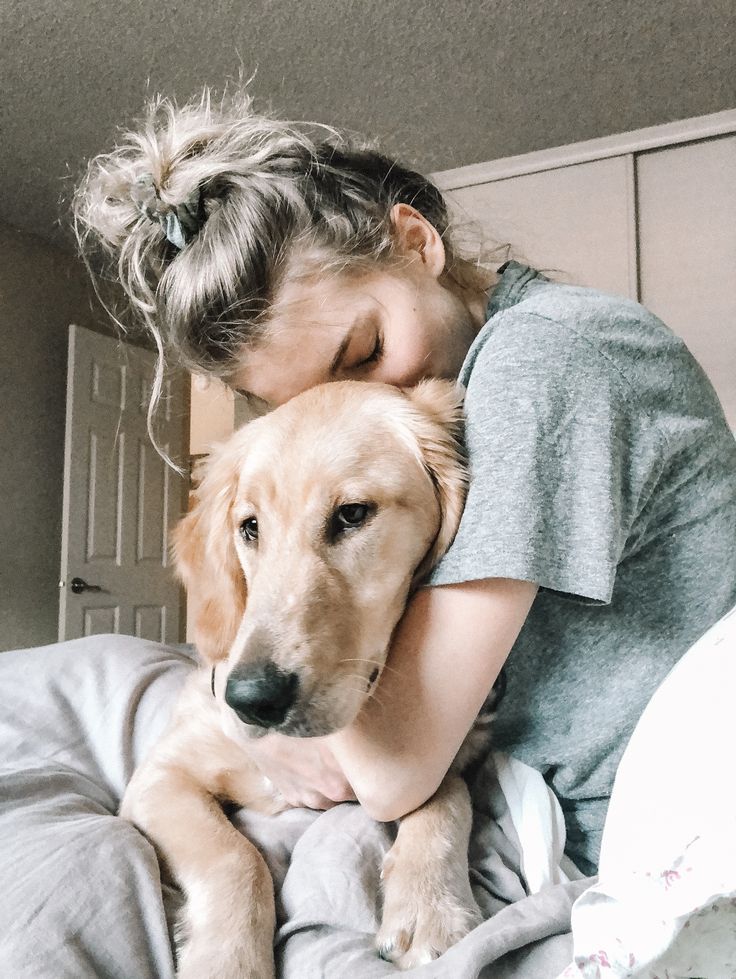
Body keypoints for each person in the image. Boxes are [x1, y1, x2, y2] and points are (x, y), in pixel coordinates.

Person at [73, 90, 736, 878]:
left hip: (661, 834)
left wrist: (236, 696)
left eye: (362, 353)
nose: (364, 403)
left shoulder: (541, 359)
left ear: (415, 241)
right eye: (307, 403)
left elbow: (391, 774)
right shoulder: (496, 373)